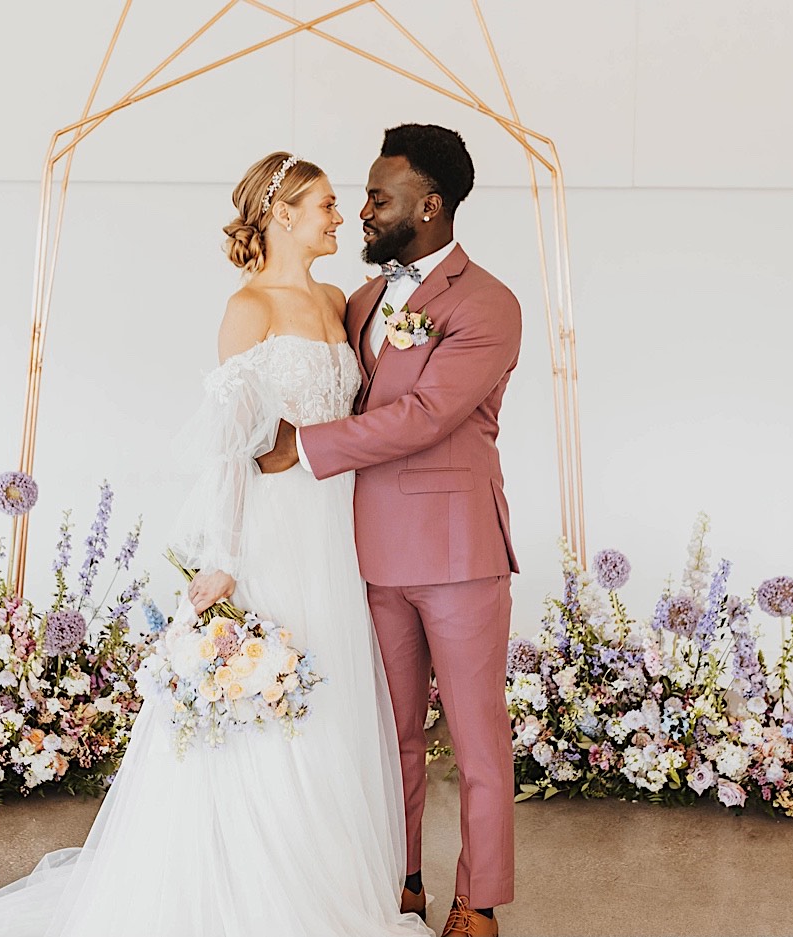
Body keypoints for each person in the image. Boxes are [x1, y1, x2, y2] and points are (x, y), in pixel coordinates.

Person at [0, 151, 431, 937]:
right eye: (326, 205)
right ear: (283, 214)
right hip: (275, 535)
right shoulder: (248, 309)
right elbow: (232, 448)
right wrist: (224, 558)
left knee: (333, 705)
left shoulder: (341, 298)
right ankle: (268, 898)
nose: (340, 218)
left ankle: (332, 878)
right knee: (270, 710)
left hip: (336, 537)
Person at [258, 124, 523, 937]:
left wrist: (303, 447)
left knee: (477, 739)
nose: (363, 213)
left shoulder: (488, 303)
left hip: (457, 553)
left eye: (378, 197)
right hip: (366, 551)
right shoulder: (363, 301)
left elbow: (426, 414)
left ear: (430, 204)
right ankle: (398, 877)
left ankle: (477, 900)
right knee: (389, 733)